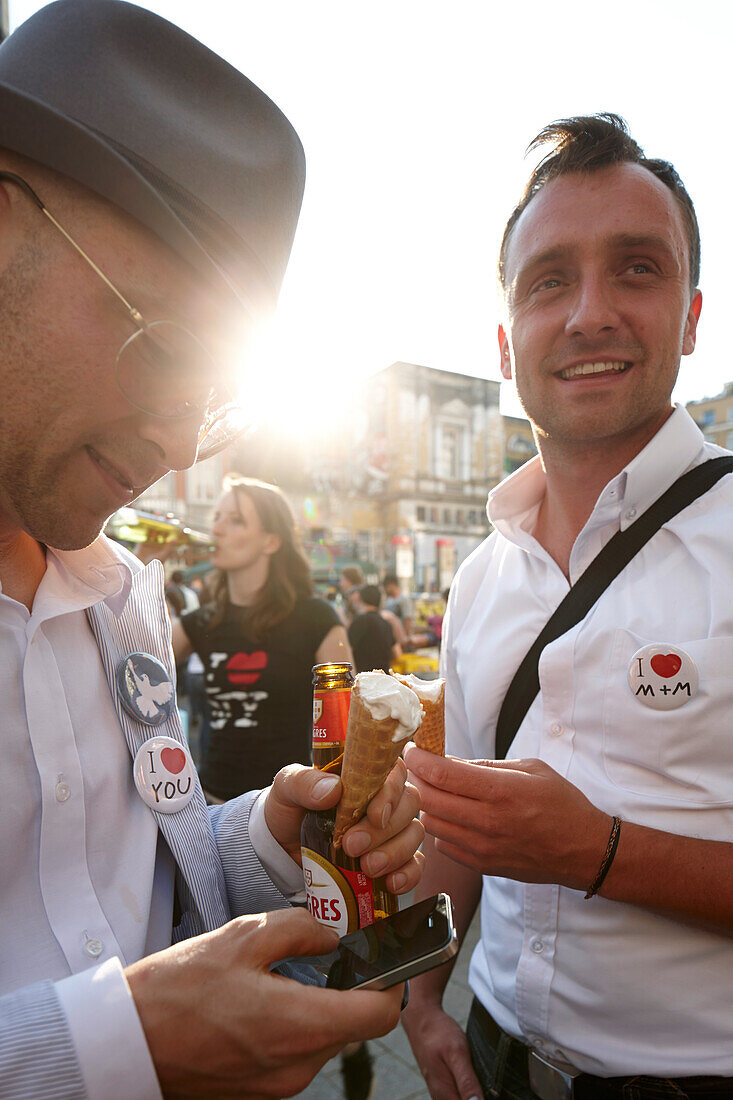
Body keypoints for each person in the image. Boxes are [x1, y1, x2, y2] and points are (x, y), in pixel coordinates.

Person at [0, 4, 425, 1097]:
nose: (183, 444)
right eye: (166, 346)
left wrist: (266, 837)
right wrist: (109, 1046)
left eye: (214, 396)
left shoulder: (124, 595)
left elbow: (137, 884)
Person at [403, 113, 733, 1100]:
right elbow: (461, 825)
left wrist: (598, 853)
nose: (588, 312)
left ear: (689, 314)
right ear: (507, 344)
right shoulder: (479, 574)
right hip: (495, 1053)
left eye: (636, 267)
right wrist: (421, 997)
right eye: (549, 279)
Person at [172, 477, 353, 797]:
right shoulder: (201, 621)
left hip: (288, 810)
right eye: (217, 518)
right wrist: (143, 559)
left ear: (271, 541)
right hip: (213, 806)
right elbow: (131, 672)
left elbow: (349, 719)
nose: (216, 530)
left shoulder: (316, 618)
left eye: (236, 521)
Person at [348, 583, 401, 673]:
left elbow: (347, 652)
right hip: (384, 679)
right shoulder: (386, 624)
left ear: (360, 599)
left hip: (363, 680)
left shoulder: (358, 622)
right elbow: (397, 654)